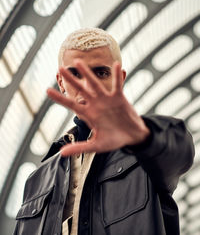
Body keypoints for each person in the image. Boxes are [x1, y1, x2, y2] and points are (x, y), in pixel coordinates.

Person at [14, 28, 194, 235]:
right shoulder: (37, 180)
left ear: (120, 78)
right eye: (75, 74)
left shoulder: (148, 157)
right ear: (61, 82)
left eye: (100, 73)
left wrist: (141, 136)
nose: (88, 85)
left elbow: (179, 148)